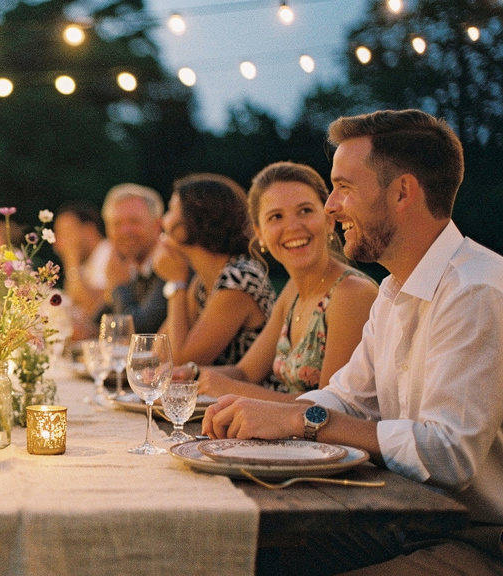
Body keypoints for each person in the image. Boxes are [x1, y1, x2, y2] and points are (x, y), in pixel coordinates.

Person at [204, 109, 503, 575]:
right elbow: (347, 398)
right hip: (403, 518)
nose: (329, 207)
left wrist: (301, 419)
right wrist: (271, 417)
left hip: (479, 538)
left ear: (402, 192)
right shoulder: (392, 291)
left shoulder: (475, 289)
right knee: (232, 552)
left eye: (344, 187)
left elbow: (448, 454)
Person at [188, 162, 378, 400]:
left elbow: (333, 406)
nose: (292, 226)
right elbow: (245, 372)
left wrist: (232, 389)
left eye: (305, 211)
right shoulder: (293, 291)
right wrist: (190, 374)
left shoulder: (351, 294)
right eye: (276, 217)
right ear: (260, 234)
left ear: (329, 220)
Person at [155, 173, 276, 366]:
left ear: (196, 219)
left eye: (170, 210)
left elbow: (179, 361)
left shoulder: (239, 279)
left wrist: (176, 282)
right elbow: (159, 351)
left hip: (254, 395)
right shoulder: (203, 282)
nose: (163, 221)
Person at [102, 183, 168, 333]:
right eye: (117, 224)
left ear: (157, 225)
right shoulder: (131, 268)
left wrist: (119, 287)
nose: (125, 231)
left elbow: (139, 331)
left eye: (134, 221)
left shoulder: (169, 265)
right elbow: (96, 324)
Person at [52, 203, 120, 340]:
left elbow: (94, 309)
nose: (58, 244)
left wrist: (72, 262)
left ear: (89, 231)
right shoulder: (87, 264)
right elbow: (72, 308)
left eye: (67, 233)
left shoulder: (108, 253)